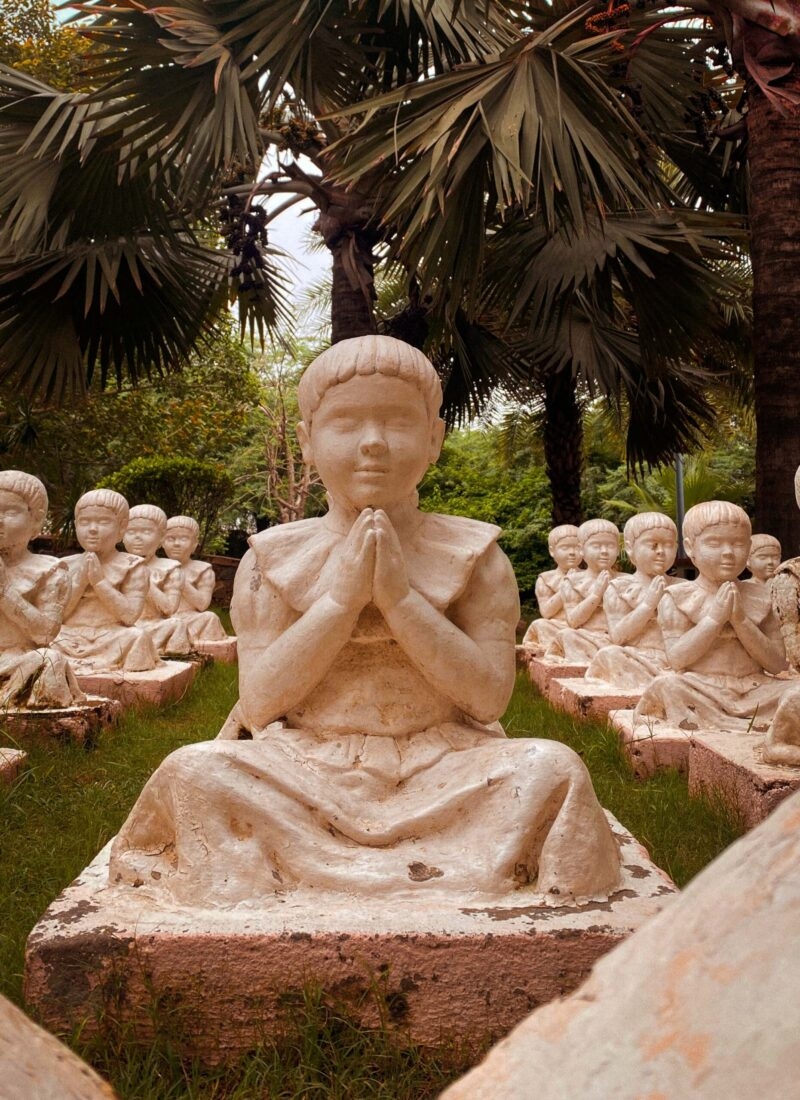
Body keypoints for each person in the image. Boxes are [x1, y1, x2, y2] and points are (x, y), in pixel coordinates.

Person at [109, 336, 621, 906]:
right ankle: (432, 873)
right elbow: (259, 704)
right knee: (195, 771)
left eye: (399, 424)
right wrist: (338, 603)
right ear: (306, 441)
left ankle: (311, 870)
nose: (372, 443)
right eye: (346, 423)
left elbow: (488, 701)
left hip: (446, 770)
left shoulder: (476, 557)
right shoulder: (271, 559)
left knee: (553, 768)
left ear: (434, 439)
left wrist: (402, 603)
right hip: (304, 766)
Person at [635, 501, 789, 732]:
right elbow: (677, 659)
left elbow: (777, 664)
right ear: (690, 547)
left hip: (756, 689)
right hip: (700, 688)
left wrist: (741, 622)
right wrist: (714, 620)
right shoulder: (677, 597)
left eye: (737, 543)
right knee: (667, 685)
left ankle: (742, 723)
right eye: (714, 543)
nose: (728, 552)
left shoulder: (763, 597)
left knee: (795, 692)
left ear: (748, 547)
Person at [0, 470, 85, 709]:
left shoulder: (51, 571)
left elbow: (46, 634)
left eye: (10, 512)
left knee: (49, 660)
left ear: (36, 521)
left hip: (18, 660)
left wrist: (5, 592)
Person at [54, 490, 158, 673]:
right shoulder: (65, 565)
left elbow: (130, 616)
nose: (92, 529)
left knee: (138, 636)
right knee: (43, 639)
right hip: (69, 636)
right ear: (76, 525)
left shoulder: (133, 566)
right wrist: (80, 581)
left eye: (103, 522)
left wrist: (99, 582)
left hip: (113, 635)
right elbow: (58, 617)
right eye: (85, 522)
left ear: (122, 528)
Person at [586, 513, 678, 690]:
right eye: (653, 545)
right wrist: (648, 605)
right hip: (634, 657)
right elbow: (617, 636)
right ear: (630, 548)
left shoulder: (683, 588)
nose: (661, 551)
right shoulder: (619, 587)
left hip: (673, 658)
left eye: (668, 545)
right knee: (609, 654)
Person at [544, 519, 619, 663]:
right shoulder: (572, 582)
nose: (604, 551)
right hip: (586, 638)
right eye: (596, 546)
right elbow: (572, 621)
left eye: (610, 545)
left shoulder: (625, 581)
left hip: (616, 639)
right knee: (567, 635)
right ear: (582, 550)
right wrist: (596, 594)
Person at [123, 504, 191, 654]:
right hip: (120, 628)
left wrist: (146, 581)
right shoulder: (116, 564)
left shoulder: (171, 568)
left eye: (146, 531)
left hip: (153, 625)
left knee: (176, 624)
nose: (137, 537)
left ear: (161, 537)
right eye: (131, 531)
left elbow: (169, 609)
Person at [161, 515, 228, 643]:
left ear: (194, 544)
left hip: (190, 619)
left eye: (184, 539)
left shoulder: (203, 571)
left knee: (210, 617)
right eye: (170, 538)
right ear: (162, 542)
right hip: (163, 620)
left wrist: (181, 581)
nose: (176, 544)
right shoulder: (155, 568)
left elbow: (202, 605)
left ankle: (181, 638)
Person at [521, 525, 581, 656]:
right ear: (552, 551)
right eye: (565, 548)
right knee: (540, 624)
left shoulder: (590, 577)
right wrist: (565, 587)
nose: (572, 552)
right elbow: (547, 612)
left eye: (577, 547)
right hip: (557, 626)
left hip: (583, 627)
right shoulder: (546, 579)